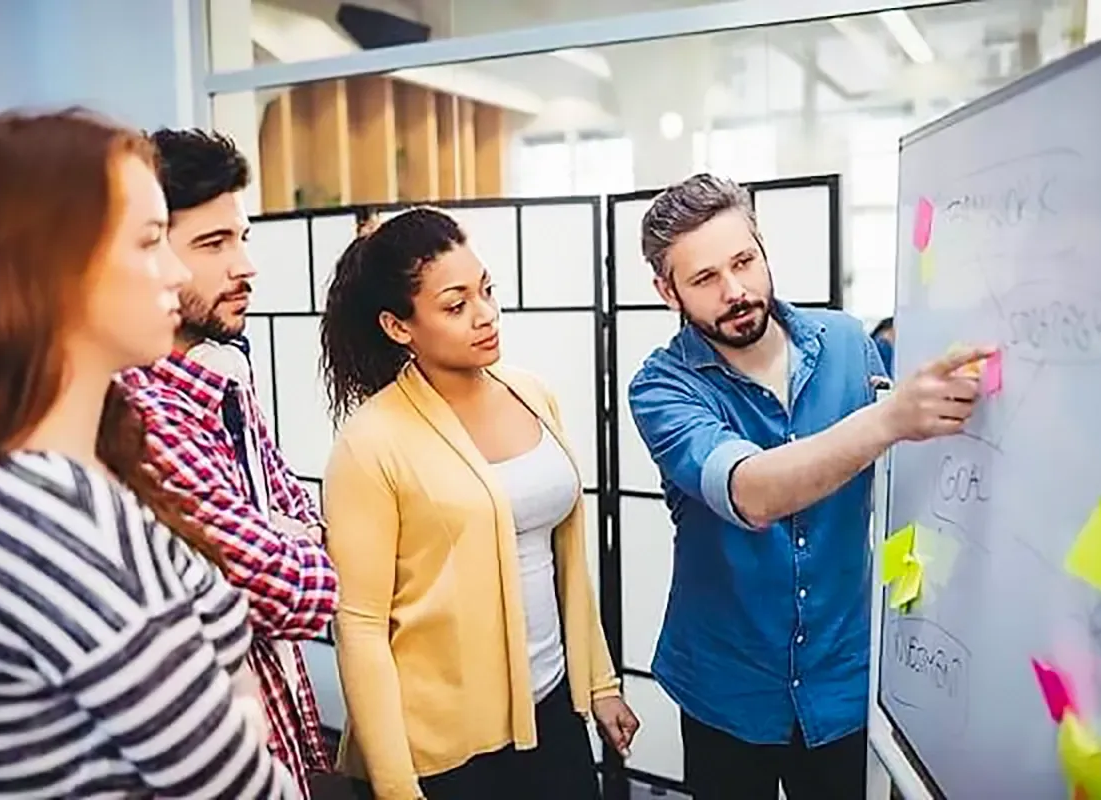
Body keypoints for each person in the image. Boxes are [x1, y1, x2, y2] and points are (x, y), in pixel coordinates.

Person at [0, 108, 296, 798]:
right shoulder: (47, 518)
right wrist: (239, 706)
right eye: (151, 241)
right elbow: (235, 783)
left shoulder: (79, 476)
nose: (176, 273)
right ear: (54, 271)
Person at [627, 174, 991, 800]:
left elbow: (905, 482)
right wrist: (886, 418)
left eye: (744, 261)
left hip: (843, 679)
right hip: (727, 688)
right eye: (705, 278)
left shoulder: (849, 343)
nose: (736, 291)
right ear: (667, 291)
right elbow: (751, 491)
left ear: (763, 248)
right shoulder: (660, 388)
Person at [319, 207, 640, 800]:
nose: (485, 315)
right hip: (443, 752)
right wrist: (396, 786)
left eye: (486, 290)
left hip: (553, 711)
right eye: (455, 304)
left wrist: (597, 682)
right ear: (399, 327)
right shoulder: (371, 441)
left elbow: (566, 558)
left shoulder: (531, 393)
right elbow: (359, 626)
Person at [115, 129, 340, 796]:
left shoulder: (222, 377)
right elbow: (294, 589)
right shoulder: (135, 413)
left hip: (283, 736)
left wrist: (292, 537)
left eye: (242, 237)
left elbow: (299, 522)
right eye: (212, 245)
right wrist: (291, 542)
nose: (245, 265)